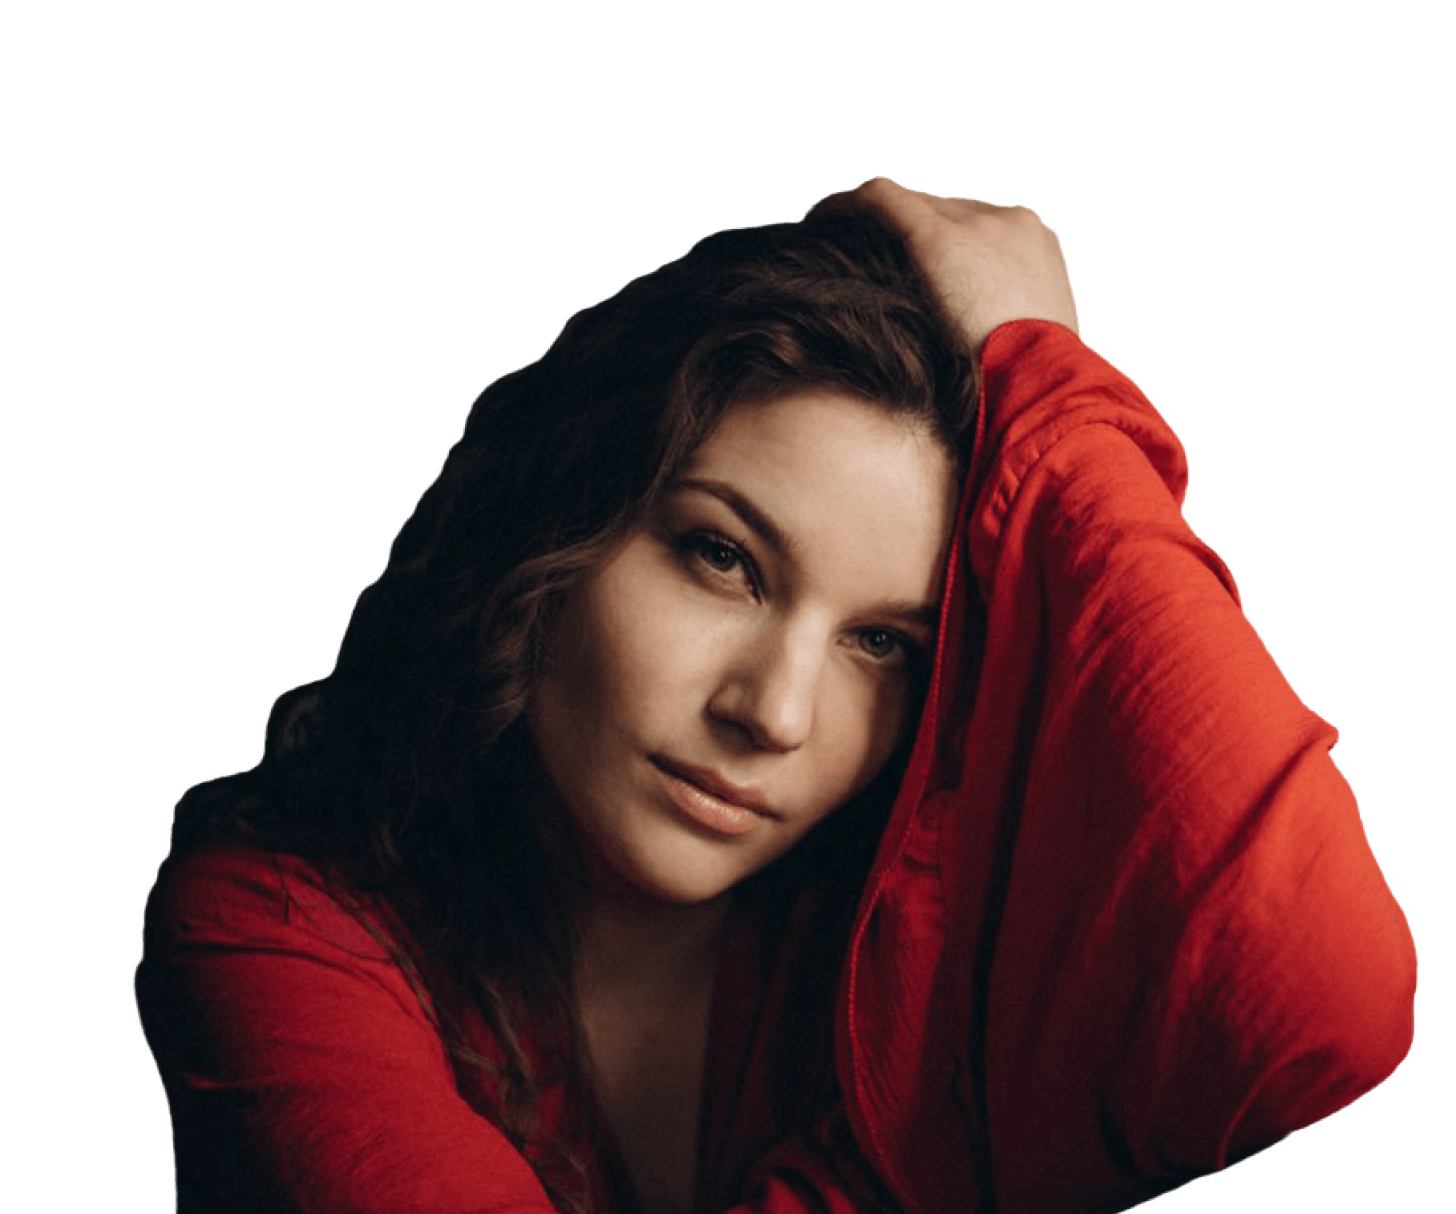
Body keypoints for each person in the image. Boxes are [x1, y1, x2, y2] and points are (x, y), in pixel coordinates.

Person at [134, 179, 1416, 1214]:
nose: (777, 712)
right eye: (721, 557)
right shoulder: (279, 931)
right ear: (556, 532)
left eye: (882, 642)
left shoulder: (916, 952)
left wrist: (1057, 399)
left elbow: (1323, 1007)